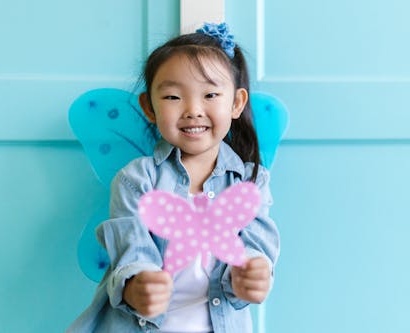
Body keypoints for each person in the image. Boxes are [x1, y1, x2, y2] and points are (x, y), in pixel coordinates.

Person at [66, 22, 279, 333]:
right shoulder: (136, 179)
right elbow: (132, 254)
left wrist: (253, 275)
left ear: (236, 103)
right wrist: (137, 285)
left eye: (210, 94)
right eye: (173, 97)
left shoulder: (251, 182)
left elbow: (256, 248)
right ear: (149, 107)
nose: (193, 110)